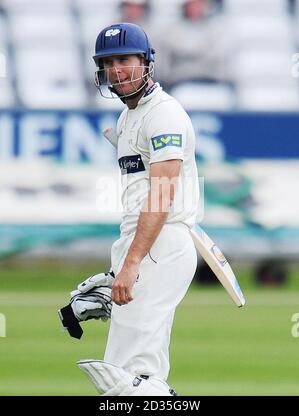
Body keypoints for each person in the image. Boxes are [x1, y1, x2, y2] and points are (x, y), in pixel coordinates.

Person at [76, 22, 200, 396]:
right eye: (109, 62)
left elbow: (162, 195)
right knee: (133, 376)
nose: (117, 70)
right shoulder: (128, 116)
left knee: (129, 381)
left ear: (146, 62)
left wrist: (131, 264)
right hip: (144, 245)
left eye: (125, 60)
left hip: (161, 246)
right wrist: (121, 264)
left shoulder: (164, 115)